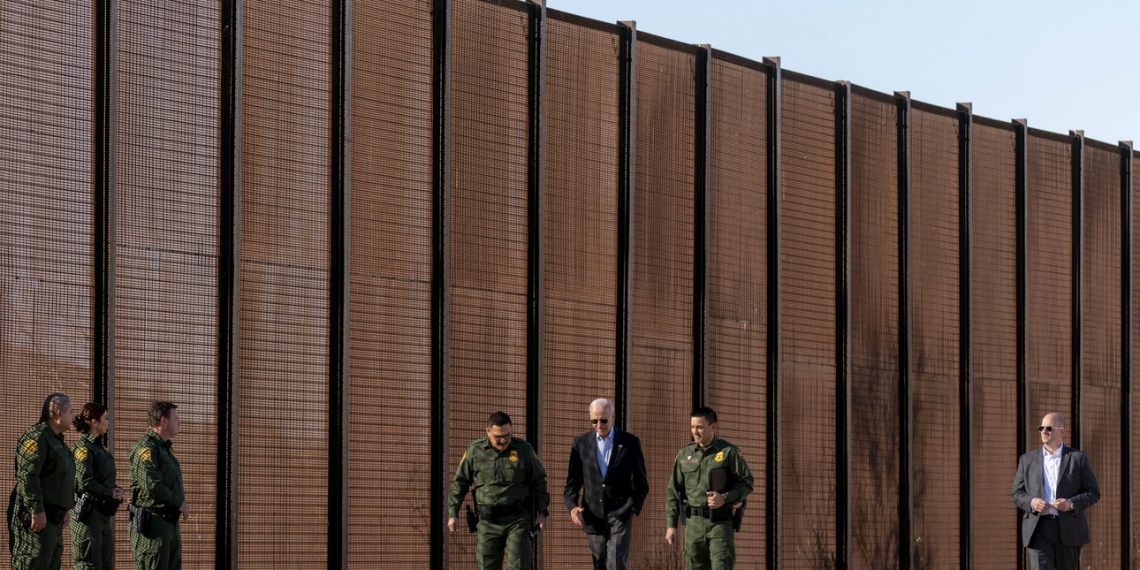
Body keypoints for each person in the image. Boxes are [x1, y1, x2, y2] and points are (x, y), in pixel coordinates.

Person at [448, 411, 549, 570]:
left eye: (507, 436)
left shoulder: (524, 450)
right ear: (487, 431)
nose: (503, 440)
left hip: (517, 520)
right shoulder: (475, 451)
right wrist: (453, 514)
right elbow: (460, 483)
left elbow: (539, 482)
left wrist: (542, 512)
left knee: (519, 564)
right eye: (498, 437)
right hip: (487, 523)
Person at [564, 398, 649, 570]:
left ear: (613, 417)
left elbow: (641, 481)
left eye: (603, 420)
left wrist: (633, 507)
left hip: (620, 512)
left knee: (615, 563)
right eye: (594, 421)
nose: (599, 425)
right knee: (599, 563)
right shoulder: (581, 444)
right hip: (593, 514)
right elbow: (572, 483)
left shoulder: (629, 442)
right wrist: (572, 507)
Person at [665, 406, 753, 570]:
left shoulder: (728, 452)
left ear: (713, 427)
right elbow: (673, 492)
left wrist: (724, 498)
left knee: (721, 565)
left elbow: (746, 483)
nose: (695, 431)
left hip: (719, 524)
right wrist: (671, 526)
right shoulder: (684, 454)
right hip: (693, 526)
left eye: (700, 427)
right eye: (692, 427)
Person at [1012, 412, 1100, 570]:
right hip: (1038, 528)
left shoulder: (1078, 458)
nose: (1044, 431)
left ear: (1062, 431)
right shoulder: (1027, 460)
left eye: (1049, 428)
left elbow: (1093, 492)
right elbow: (1017, 493)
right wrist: (1032, 501)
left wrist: (1070, 504)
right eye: (1041, 428)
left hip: (1069, 528)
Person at [7, 392, 76, 570]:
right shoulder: (37, 437)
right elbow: (28, 475)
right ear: (59, 413)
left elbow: (60, 480)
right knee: (32, 563)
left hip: (54, 520)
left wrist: (65, 508)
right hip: (37, 519)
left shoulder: (57, 441)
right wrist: (36, 509)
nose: (73, 416)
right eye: (71, 412)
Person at [128, 401, 186, 570]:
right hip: (154, 525)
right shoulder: (145, 448)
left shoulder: (164, 448)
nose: (179, 421)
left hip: (169, 522)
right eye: (176, 418)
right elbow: (151, 485)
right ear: (163, 421)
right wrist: (179, 503)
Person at [71, 402, 123, 570]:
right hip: (89, 516)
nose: (108, 422)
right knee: (90, 563)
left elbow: (103, 477)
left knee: (106, 562)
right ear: (94, 422)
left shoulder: (100, 448)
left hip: (102, 514)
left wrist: (114, 489)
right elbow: (85, 482)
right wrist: (109, 492)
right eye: (105, 418)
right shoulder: (84, 449)